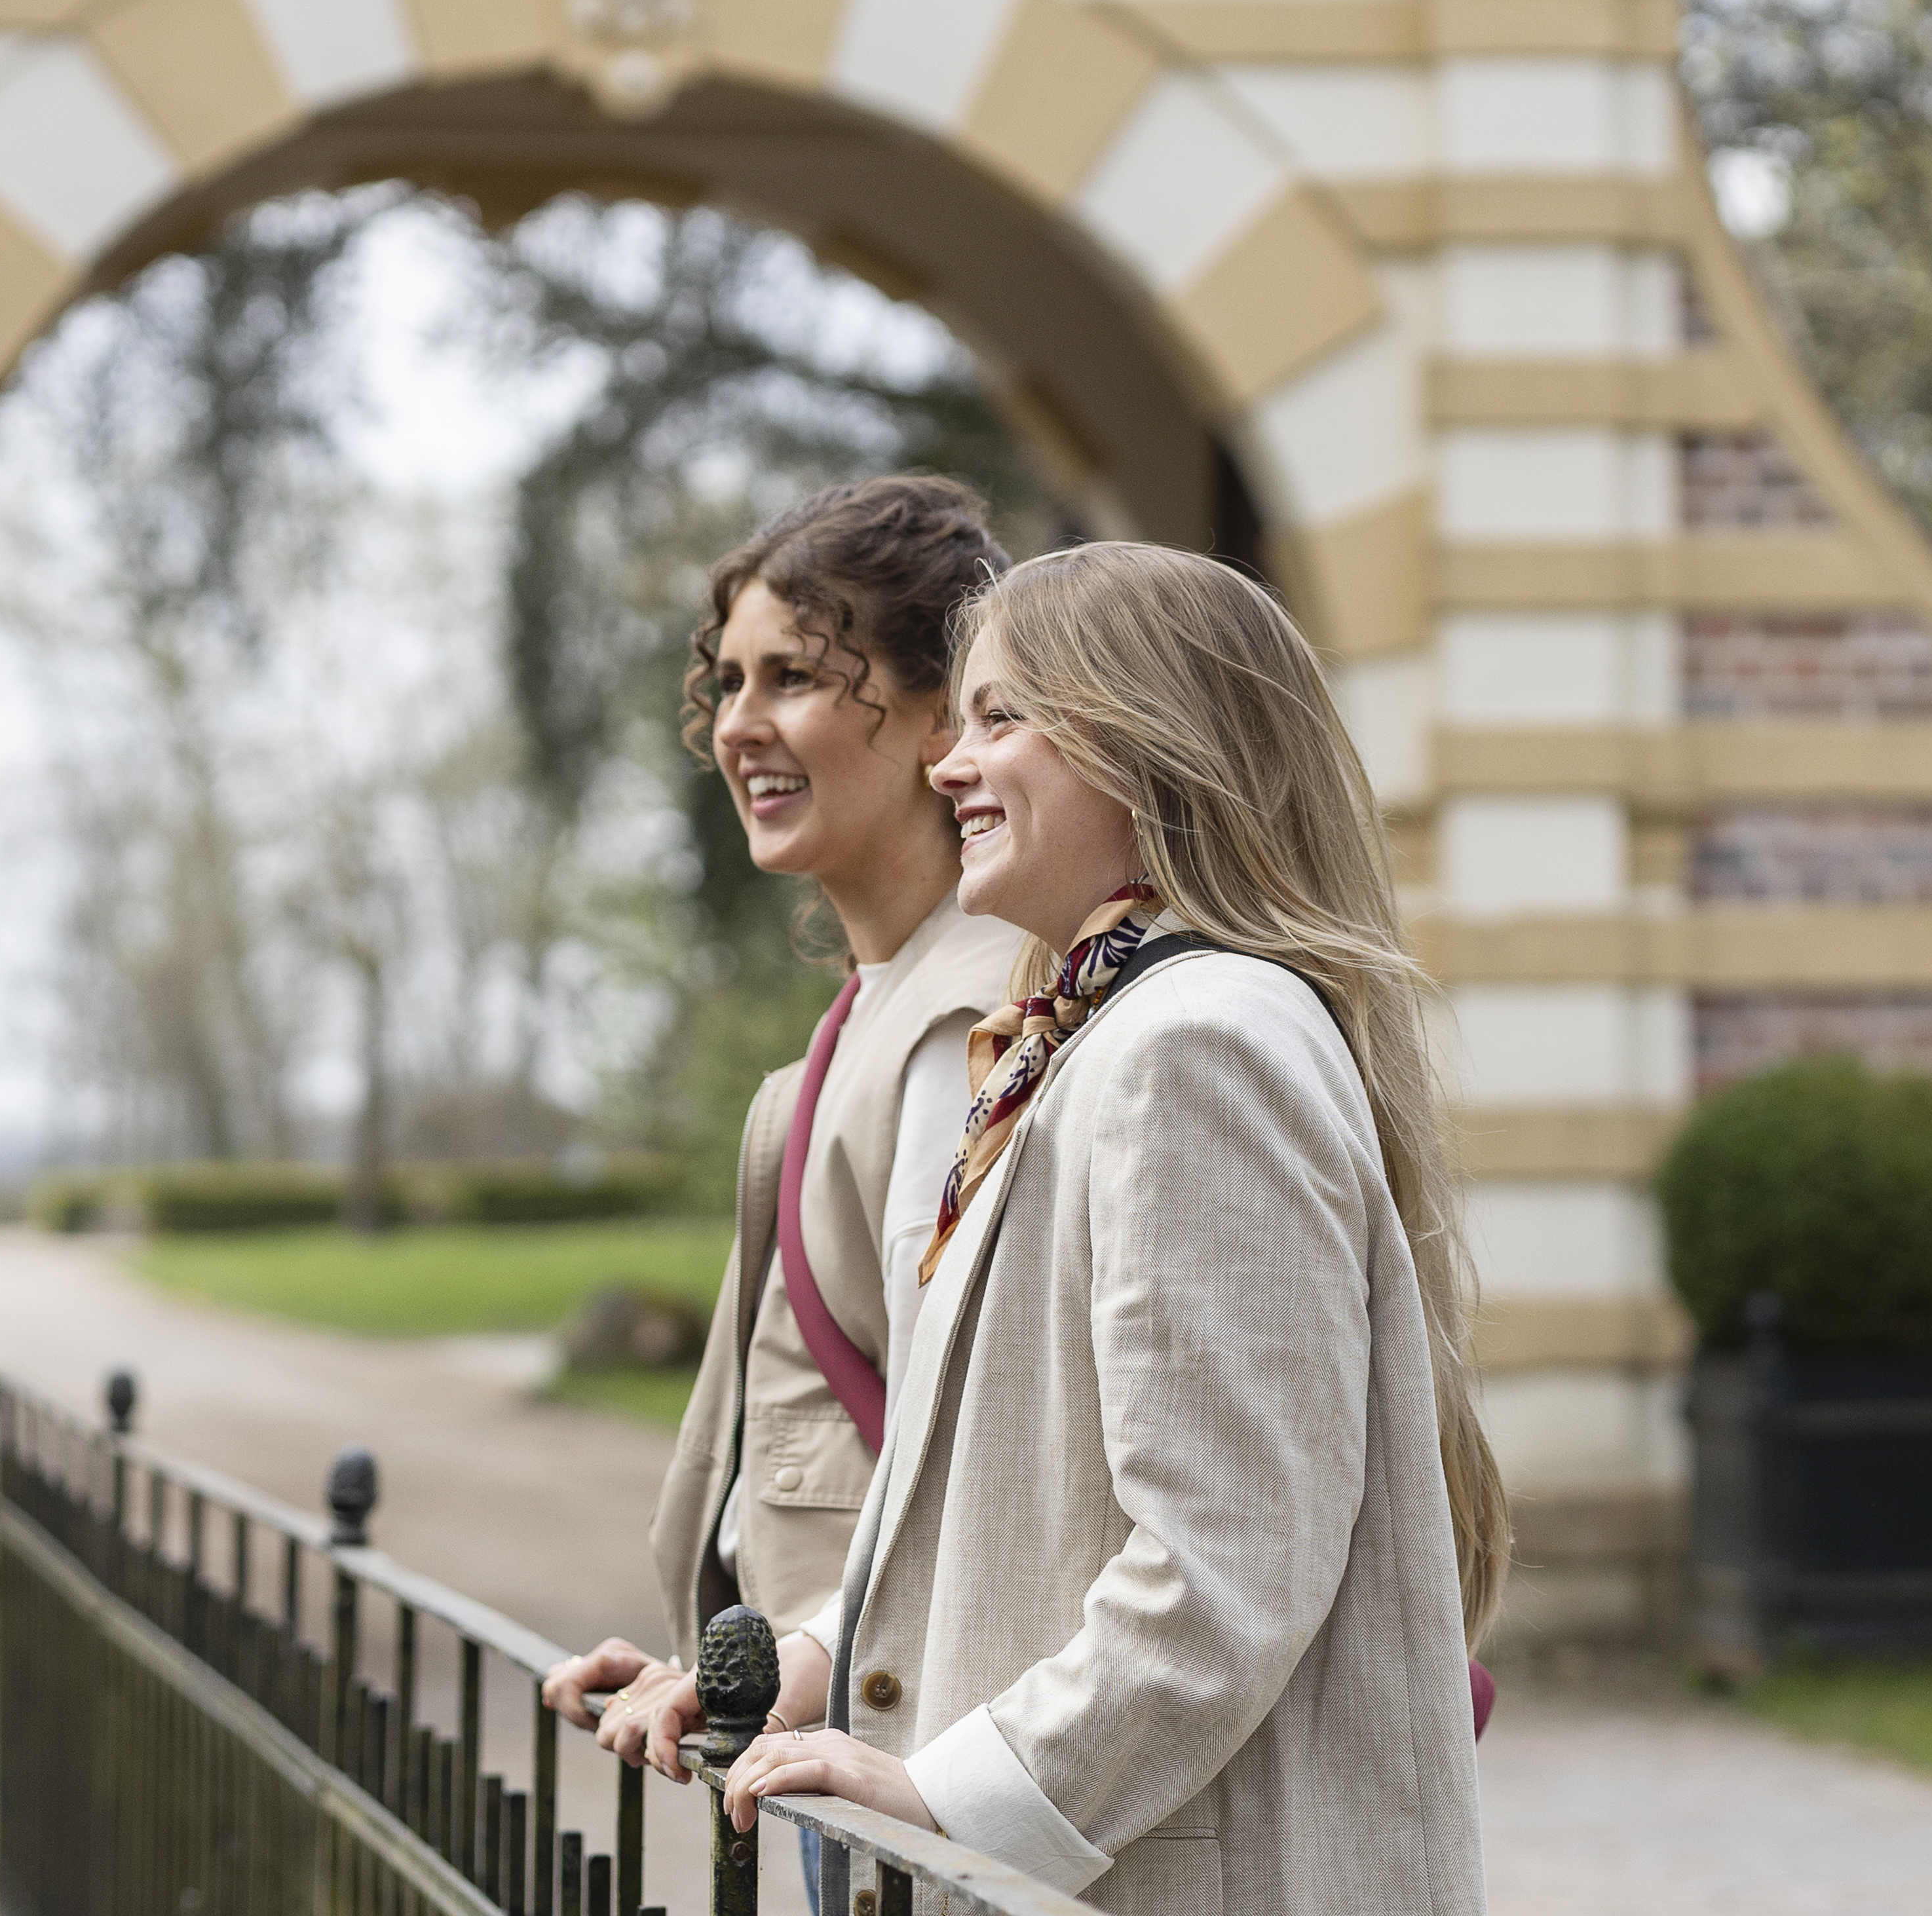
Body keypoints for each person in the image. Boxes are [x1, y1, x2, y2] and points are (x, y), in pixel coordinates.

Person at [713, 542, 1512, 1915]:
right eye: (955, 718)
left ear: (1154, 742)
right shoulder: (1095, 1036)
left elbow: (1226, 1560)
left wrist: (947, 1798)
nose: (950, 765)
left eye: (1002, 717)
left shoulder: (1194, 1044)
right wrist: (808, 1660)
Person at [540, 475, 1026, 1791]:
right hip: (836, 1731)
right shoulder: (883, 1007)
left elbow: (967, 1458)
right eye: (732, 682)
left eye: (798, 677)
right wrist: (703, 1672)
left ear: (938, 712)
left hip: (900, 1760)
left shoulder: (959, 1027)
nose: (740, 726)